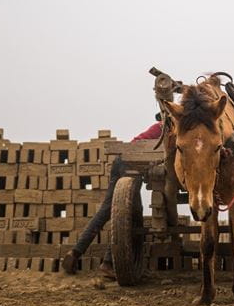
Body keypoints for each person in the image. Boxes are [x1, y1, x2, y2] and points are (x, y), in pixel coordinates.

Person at [62, 119, 163, 278]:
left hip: (120, 162)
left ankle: (75, 252)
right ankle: (108, 263)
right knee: (128, 214)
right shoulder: (165, 129)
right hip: (131, 167)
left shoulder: (158, 128)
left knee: (106, 210)